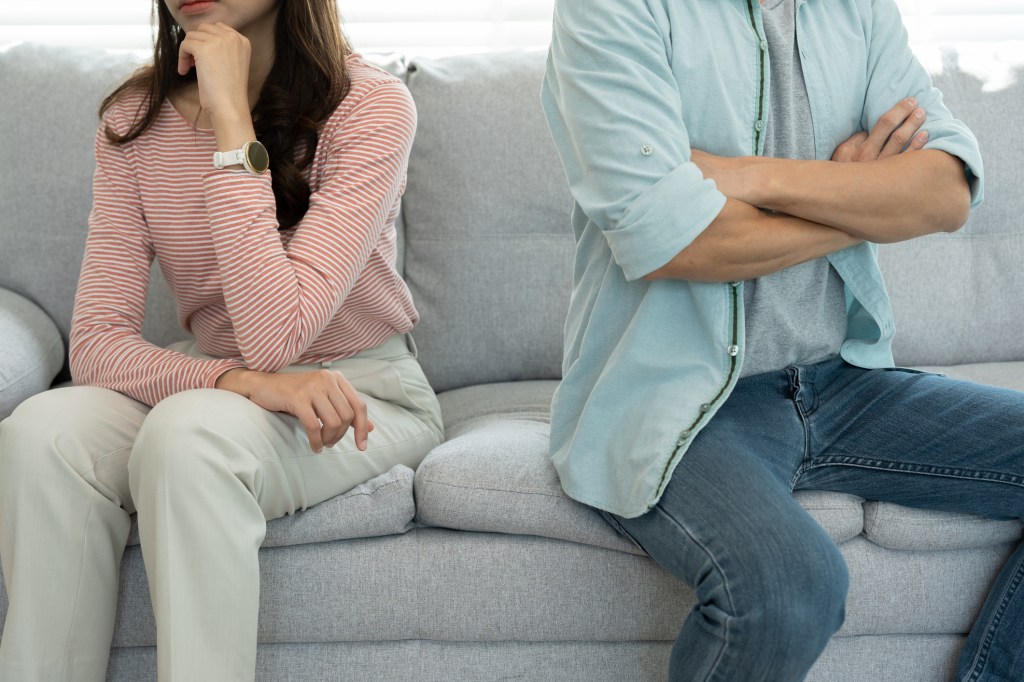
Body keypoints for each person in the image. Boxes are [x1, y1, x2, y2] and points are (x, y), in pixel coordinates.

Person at [542, 0, 1023, 680]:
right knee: (789, 587)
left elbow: (945, 192)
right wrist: (864, 201)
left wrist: (755, 176)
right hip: (682, 397)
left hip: (842, 381)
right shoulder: (614, 8)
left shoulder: (856, 11)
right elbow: (676, 240)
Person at [0, 0, 443, 679]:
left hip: (359, 390)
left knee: (189, 437)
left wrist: (231, 124)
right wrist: (235, 382)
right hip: (215, 382)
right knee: (41, 433)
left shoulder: (369, 108)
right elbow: (93, 341)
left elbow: (273, 336)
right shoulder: (133, 119)